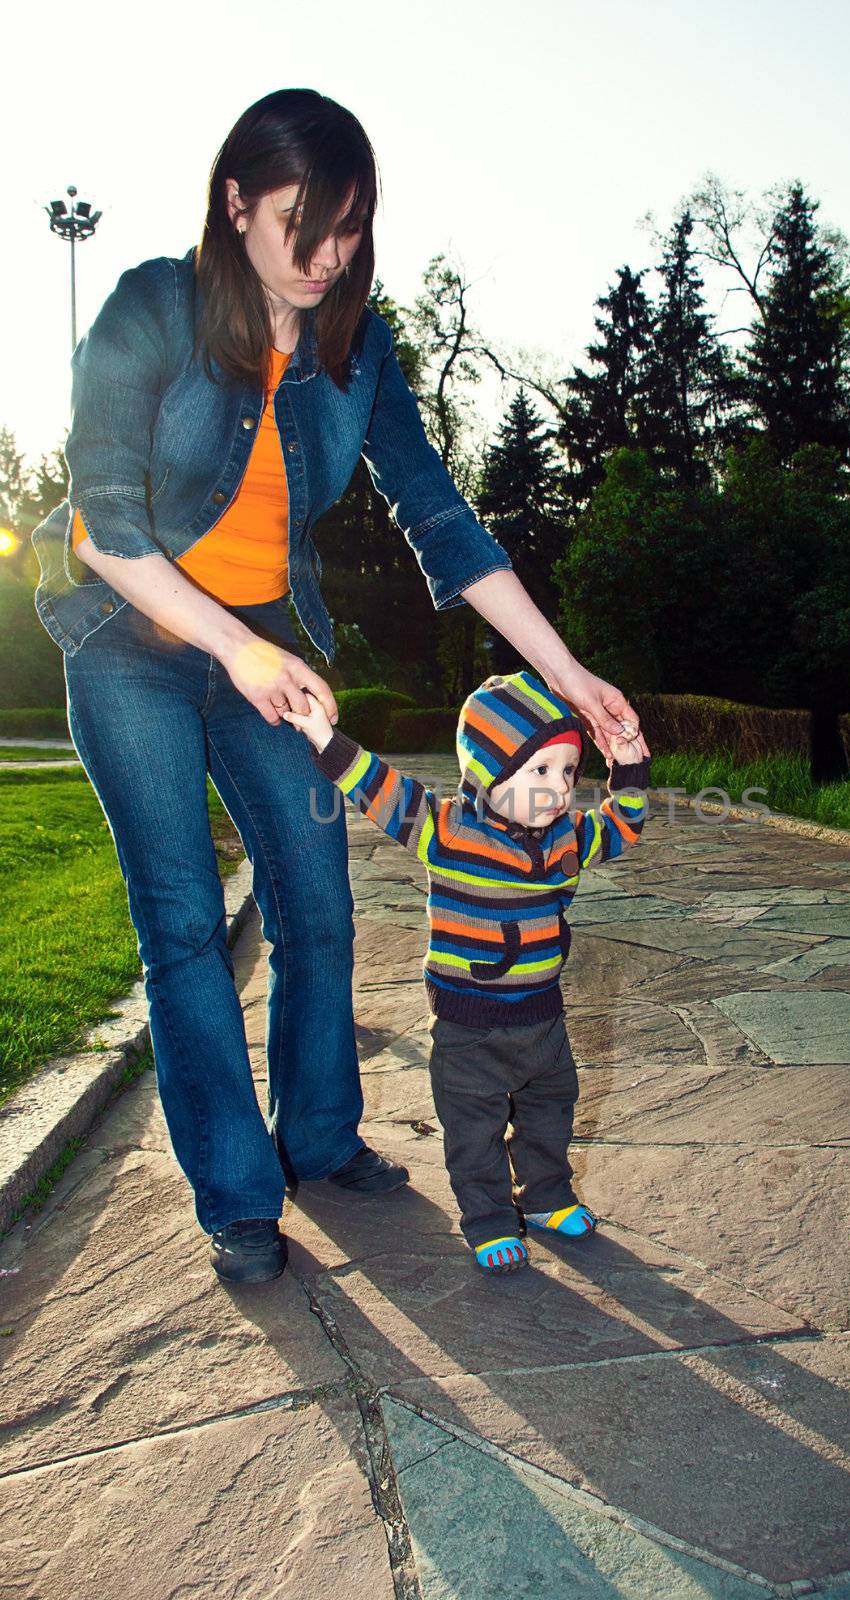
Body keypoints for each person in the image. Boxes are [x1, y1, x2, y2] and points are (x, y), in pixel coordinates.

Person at [31, 88, 647, 1285]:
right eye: (301, 226)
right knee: (184, 929)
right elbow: (105, 526)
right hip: (130, 641)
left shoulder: (355, 350)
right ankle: (239, 1195)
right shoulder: (152, 307)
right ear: (235, 202)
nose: (325, 260)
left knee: (317, 902)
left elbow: (440, 518)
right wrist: (237, 649)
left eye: (349, 231)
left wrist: (569, 675)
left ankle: (318, 1136)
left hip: (264, 649)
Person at [284, 669, 650, 1273]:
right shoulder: (446, 829)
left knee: (551, 1107)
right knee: (473, 1125)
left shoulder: (565, 837)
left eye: (567, 771)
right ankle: (486, 1218)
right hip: (468, 1024)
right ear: (488, 771)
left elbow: (623, 825)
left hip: (543, 1015)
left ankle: (545, 1195)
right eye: (538, 770)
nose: (558, 789)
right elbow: (380, 789)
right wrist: (328, 740)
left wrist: (630, 768)